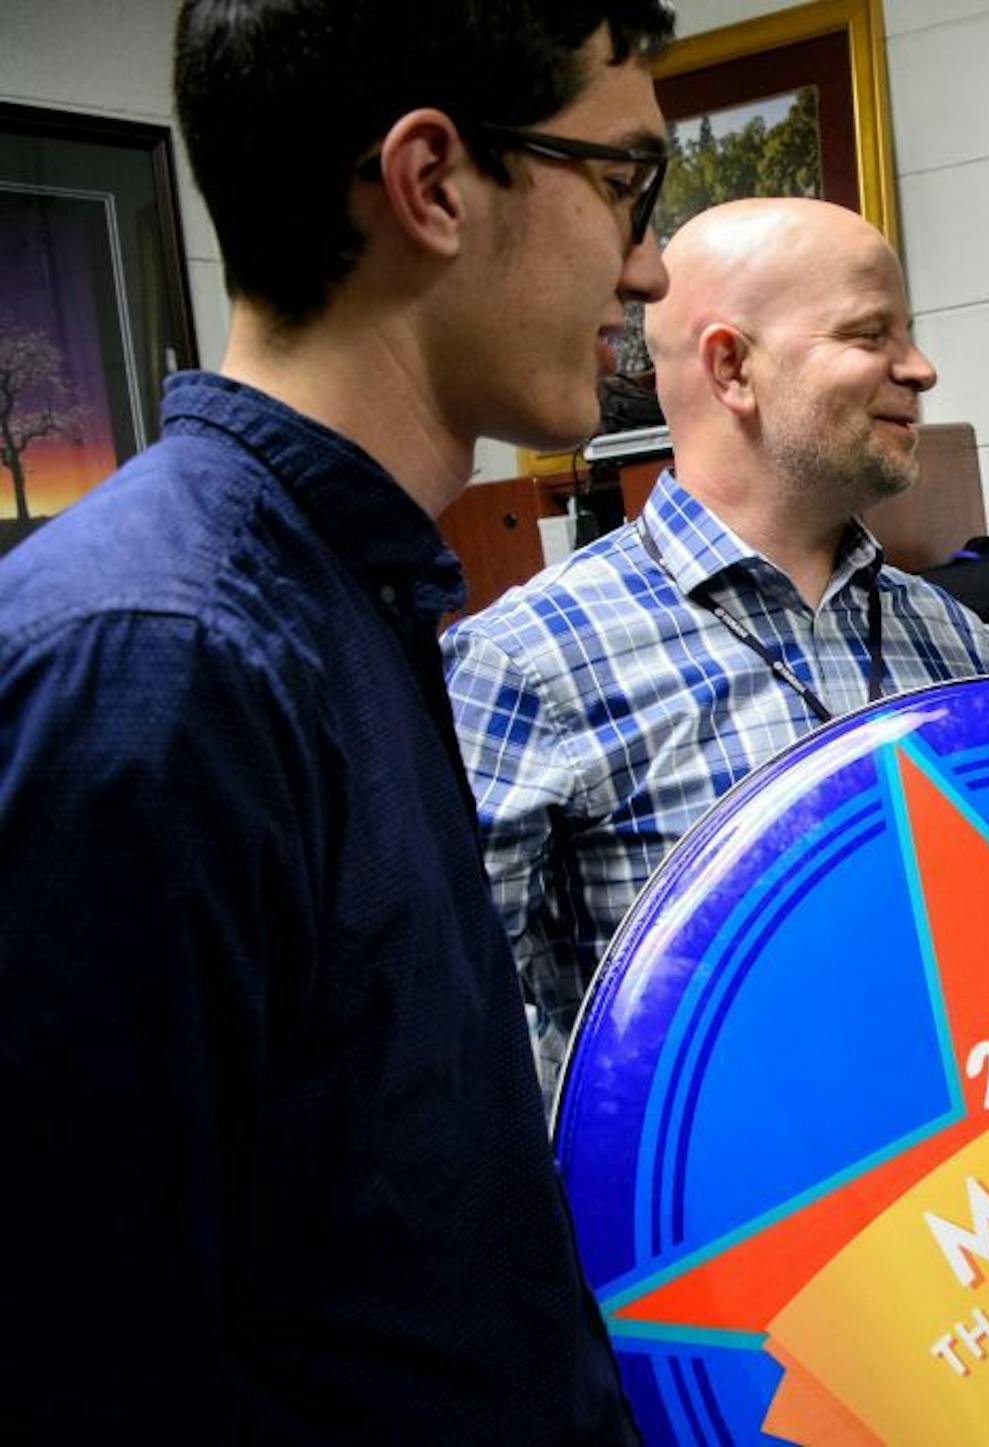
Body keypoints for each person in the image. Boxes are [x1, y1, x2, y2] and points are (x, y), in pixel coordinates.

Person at [0, 1, 676, 1435]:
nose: (651, 262)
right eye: (626, 181)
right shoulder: (165, 662)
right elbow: (92, 1364)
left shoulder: (345, 594)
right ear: (432, 182)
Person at [445, 198, 989, 1102]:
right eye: (870, 333)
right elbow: (449, 1065)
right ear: (732, 366)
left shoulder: (947, 633)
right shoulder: (529, 664)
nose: (919, 369)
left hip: (973, 1202)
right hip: (715, 1233)